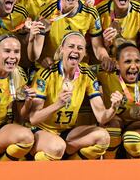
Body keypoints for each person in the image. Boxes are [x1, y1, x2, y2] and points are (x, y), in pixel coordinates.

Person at [29, 32, 123, 160]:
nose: (75, 51)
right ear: (62, 49)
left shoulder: (87, 74)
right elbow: (33, 118)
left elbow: (101, 117)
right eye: (71, 46)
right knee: (57, 147)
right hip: (41, 131)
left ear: (85, 53)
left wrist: (113, 107)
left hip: (66, 132)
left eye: (80, 48)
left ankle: (73, 165)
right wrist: (58, 104)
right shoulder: (46, 74)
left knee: (103, 137)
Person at [29, 0, 110, 69]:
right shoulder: (46, 13)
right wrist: (42, 60)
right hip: (52, 67)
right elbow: (36, 52)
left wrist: (105, 57)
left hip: (78, 67)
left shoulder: (90, 12)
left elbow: (97, 46)